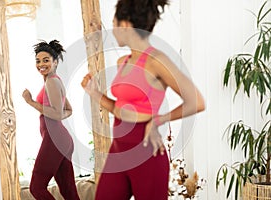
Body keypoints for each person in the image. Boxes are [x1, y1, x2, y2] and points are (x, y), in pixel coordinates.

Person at [81, 0, 205, 200]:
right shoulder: (124, 62)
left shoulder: (156, 60)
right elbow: (119, 108)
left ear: (125, 25)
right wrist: (94, 93)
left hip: (147, 152)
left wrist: (159, 119)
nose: (112, 30)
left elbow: (196, 101)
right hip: (119, 150)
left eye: (114, 24)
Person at [22, 40, 80, 200]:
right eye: (38, 60)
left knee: (36, 187)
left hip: (54, 139)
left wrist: (31, 102)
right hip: (61, 139)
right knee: (69, 192)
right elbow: (67, 111)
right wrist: (56, 114)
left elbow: (55, 114)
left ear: (55, 62)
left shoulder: (52, 81)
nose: (41, 64)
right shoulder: (55, 80)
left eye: (46, 60)